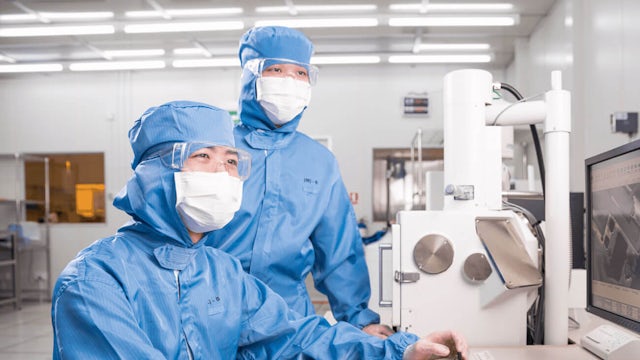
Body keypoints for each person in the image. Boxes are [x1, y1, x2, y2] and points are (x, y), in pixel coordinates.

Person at [50, 100, 467, 359]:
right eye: (202, 157)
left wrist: (402, 350)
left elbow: (297, 336)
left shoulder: (223, 273)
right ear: (158, 171)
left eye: (231, 161)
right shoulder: (94, 280)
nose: (223, 172)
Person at [206, 25, 391, 338]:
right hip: (210, 313)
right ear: (252, 76)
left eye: (300, 73)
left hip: (288, 322)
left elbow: (339, 251)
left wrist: (360, 320)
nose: (289, 81)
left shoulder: (319, 162)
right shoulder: (215, 150)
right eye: (276, 69)